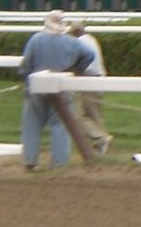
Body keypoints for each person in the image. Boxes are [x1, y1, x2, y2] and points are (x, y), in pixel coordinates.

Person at [17, 10, 91, 170]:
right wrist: (76, 70)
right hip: (62, 87)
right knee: (60, 124)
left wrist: (26, 79)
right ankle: (59, 163)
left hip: (36, 87)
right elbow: (89, 54)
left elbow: (25, 64)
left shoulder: (36, 39)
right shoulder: (72, 42)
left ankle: (30, 161)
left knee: (32, 124)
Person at [67, 19, 112, 157]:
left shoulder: (79, 43)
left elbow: (77, 63)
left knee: (79, 117)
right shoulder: (91, 39)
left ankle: (101, 138)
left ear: (75, 31)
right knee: (95, 116)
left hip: (89, 81)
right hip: (99, 79)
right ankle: (100, 146)